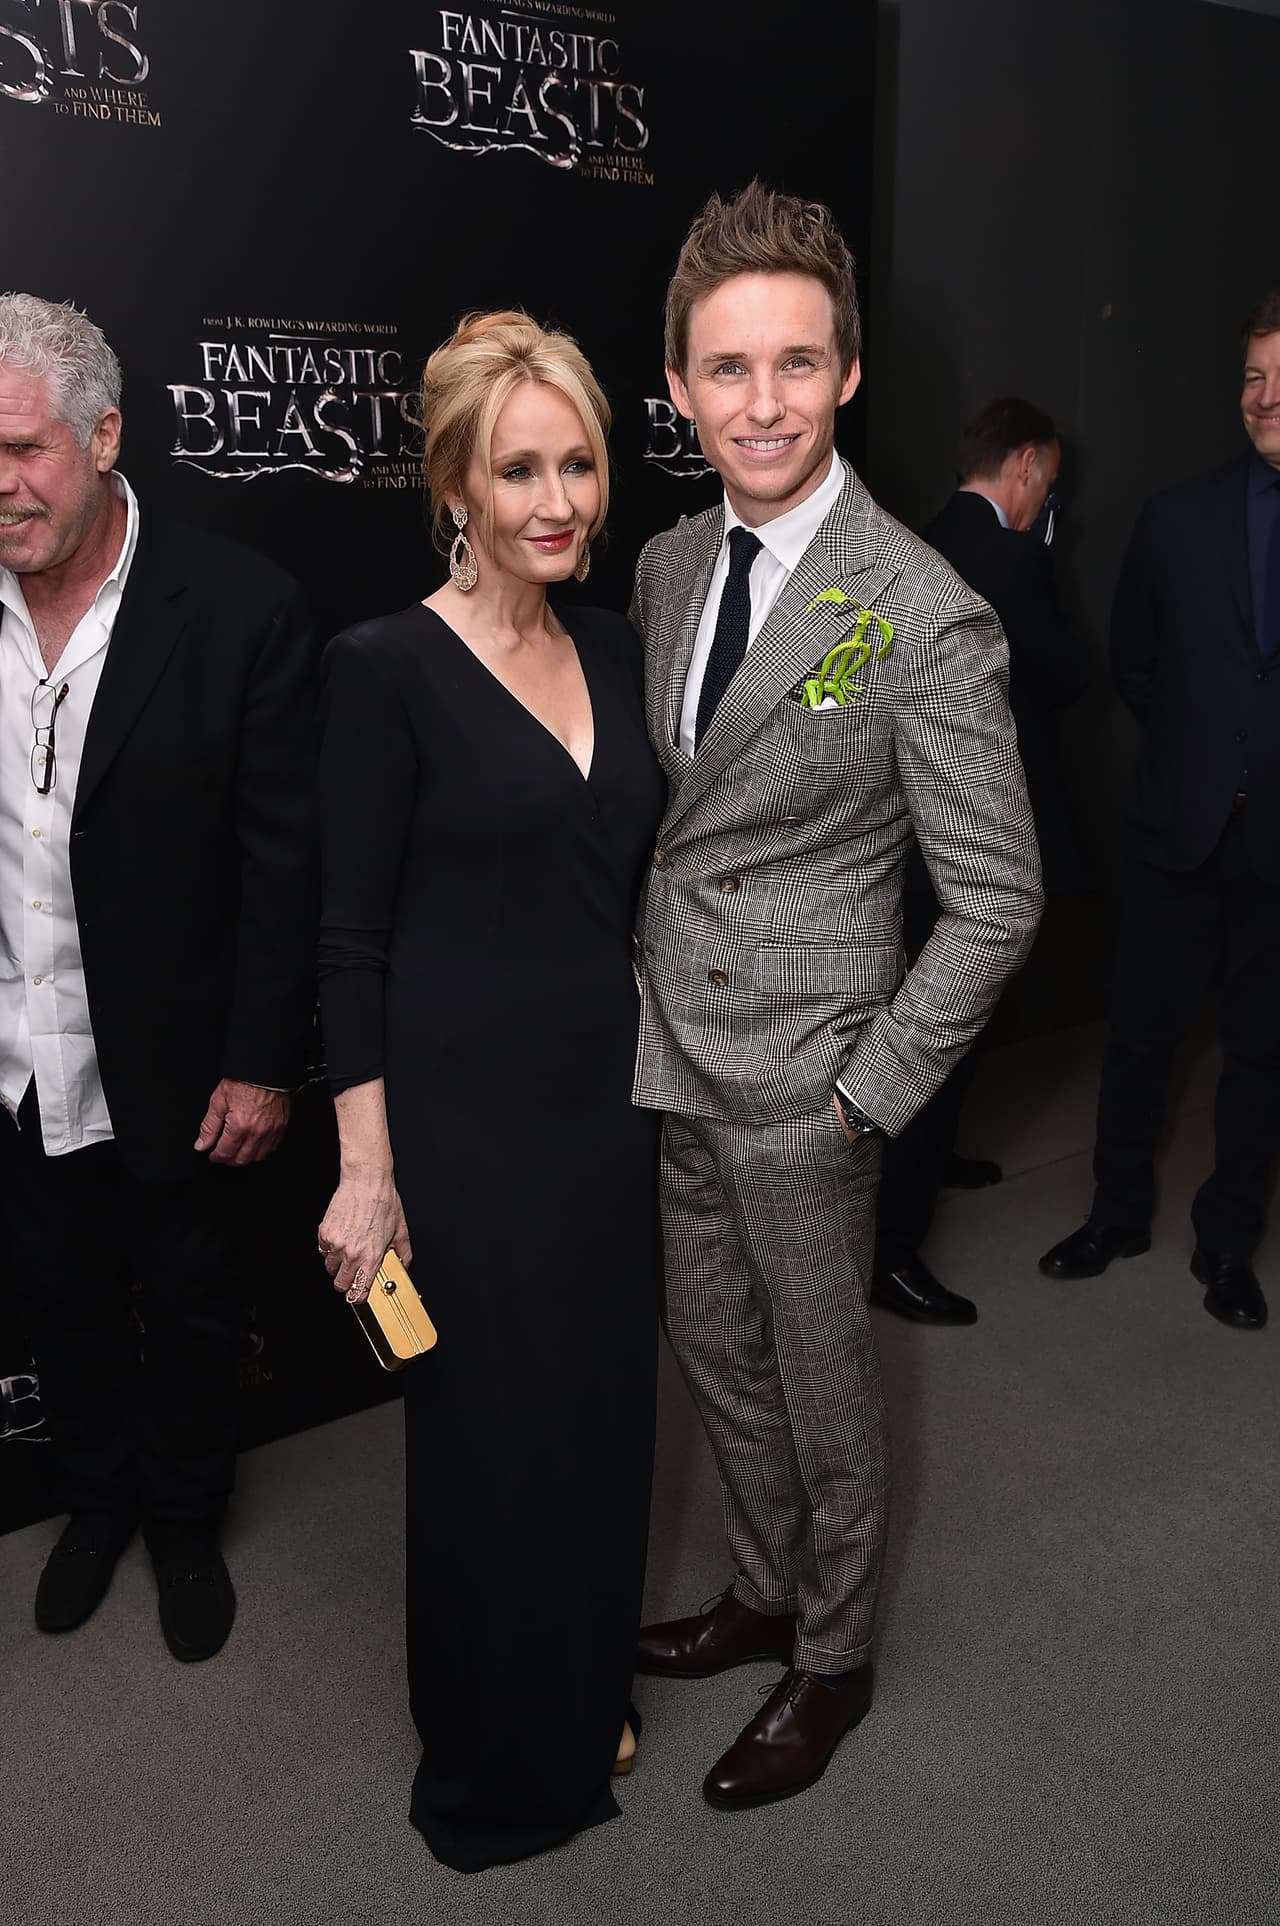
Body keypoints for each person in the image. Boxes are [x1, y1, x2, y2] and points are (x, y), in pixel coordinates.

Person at [630, 183, 1043, 1810]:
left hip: (812, 1076)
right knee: (713, 1348)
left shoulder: (921, 606)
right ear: (678, 385)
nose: (762, 404)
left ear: (851, 372)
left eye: (797, 364)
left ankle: (834, 1656)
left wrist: (869, 1090)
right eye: (727, 370)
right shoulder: (668, 566)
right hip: (675, 1040)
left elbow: (1000, 894)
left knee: (823, 1383)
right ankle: (763, 1582)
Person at [315, 312, 663, 1873]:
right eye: (517, 468)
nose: (556, 499)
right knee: (485, 1439)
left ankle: (585, 1683)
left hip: (608, 1106)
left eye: (578, 462)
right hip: (460, 1129)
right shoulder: (382, 667)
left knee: (598, 1417)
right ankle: (492, 1743)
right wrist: (365, 1169)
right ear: (452, 482)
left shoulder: (614, 647)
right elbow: (349, 939)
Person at [0, 293, 317, 1660]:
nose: (0, 484)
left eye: (24, 449)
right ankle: (96, 1499)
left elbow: (285, 863)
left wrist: (261, 1055)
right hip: (19, 1055)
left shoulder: (240, 607)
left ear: (105, 435)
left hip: (182, 1062)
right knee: (61, 1304)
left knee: (190, 1308)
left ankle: (186, 1519)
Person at [1039, 292, 1280, 1331]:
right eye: (1250, 378)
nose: (1261, 397)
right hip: (1175, 832)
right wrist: (1202, 753)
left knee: (1261, 1057)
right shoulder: (1175, 516)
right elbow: (1133, 661)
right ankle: (1114, 1213)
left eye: (1279, 377)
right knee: (1139, 1039)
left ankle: (1226, 1244)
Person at [873, 398, 1086, 1325]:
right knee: (937, 1037)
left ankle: (932, 1164)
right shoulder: (1010, 558)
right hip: (973, 848)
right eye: (1052, 481)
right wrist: (1044, 562)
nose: (1050, 498)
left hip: (902, 839)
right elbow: (1074, 677)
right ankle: (891, 1251)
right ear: (1029, 465)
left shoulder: (906, 544)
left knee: (928, 1031)